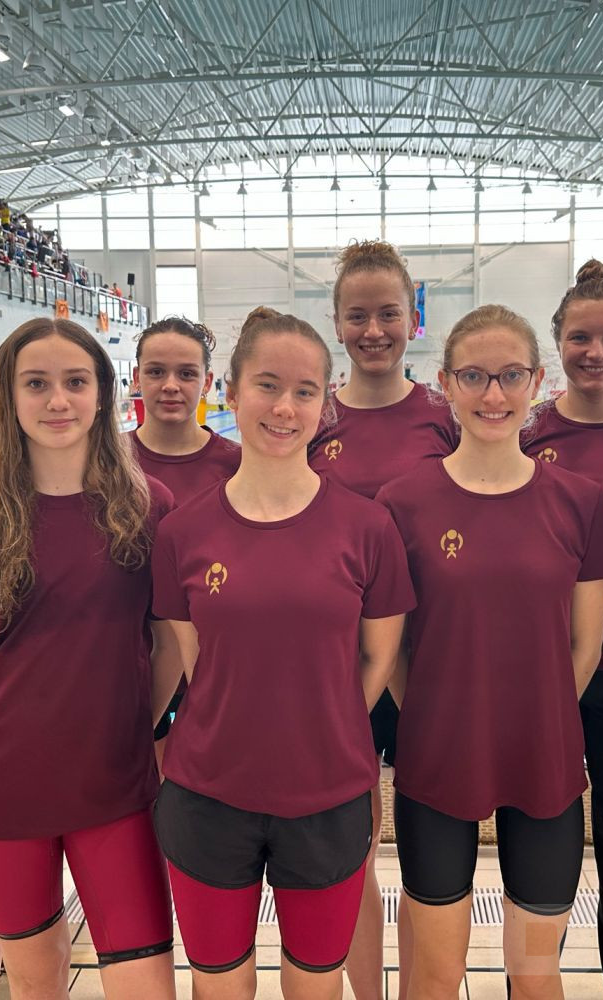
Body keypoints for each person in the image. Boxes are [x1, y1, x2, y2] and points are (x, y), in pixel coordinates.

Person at [150, 307, 414, 999]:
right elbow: (195, 663)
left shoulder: (368, 528)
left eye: (304, 391)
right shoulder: (182, 532)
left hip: (327, 794)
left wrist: (320, 722)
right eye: (267, 385)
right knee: (218, 986)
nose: (284, 407)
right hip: (209, 793)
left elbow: (378, 661)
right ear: (232, 391)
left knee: (316, 986)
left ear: (326, 404)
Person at [0, 318, 177, 999]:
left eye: (75, 382)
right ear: (8, 398)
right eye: (36, 384)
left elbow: (168, 645)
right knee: (37, 982)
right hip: (4, 781)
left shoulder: (148, 508)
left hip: (116, 780)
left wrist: (132, 725)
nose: (57, 400)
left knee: (146, 981)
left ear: (103, 394)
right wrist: (19, 721)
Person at [378, 305, 603, 999]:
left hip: (544, 757)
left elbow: (585, 645)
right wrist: (434, 715)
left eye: (511, 376)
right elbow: (392, 649)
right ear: (445, 384)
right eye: (475, 377)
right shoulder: (402, 503)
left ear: (538, 382)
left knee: (537, 973)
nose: (493, 394)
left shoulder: (580, 502)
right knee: (435, 972)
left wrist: (538, 715)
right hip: (436, 757)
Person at [309, 239, 456, 999]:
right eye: (358, 316)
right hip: (340, 665)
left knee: (433, 864)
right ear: (336, 322)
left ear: (412, 319)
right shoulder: (312, 416)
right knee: (352, 853)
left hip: (432, 660)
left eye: (389, 314)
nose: (374, 331)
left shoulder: (446, 416)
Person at [521, 260, 603, 1000]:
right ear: (558, 343)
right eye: (580, 338)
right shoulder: (527, 431)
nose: (595, 352)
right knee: (535, 846)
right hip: (538, 674)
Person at [130, 316, 240, 758]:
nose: (171, 385)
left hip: (213, 664)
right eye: (156, 372)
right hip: (132, 658)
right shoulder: (107, 462)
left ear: (208, 382)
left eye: (187, 373)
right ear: (137, 377)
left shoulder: (238, 465)